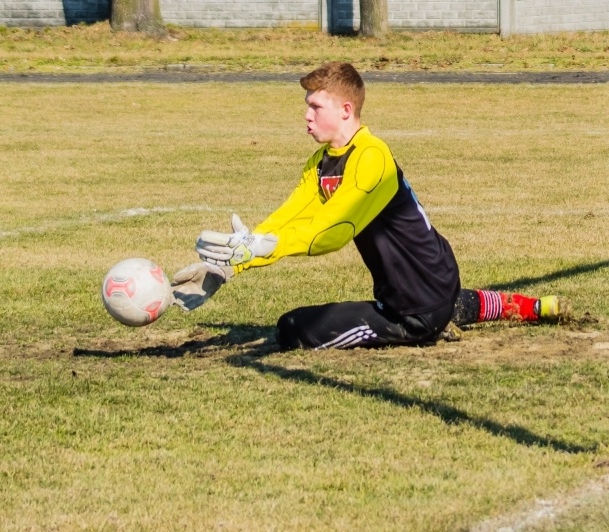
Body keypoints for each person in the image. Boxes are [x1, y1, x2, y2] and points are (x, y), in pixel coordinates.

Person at [171, 62, 566, 350]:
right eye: (306, 107)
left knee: (292, 329)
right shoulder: (322, 162)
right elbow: (291, 215)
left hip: (409, 309)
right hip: (436, 281)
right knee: (449, 303)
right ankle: (535, 306)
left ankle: (429, 326)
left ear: (346, 110)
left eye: (316, 108)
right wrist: (229, 264)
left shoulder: (372, 158)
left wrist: (262, 248)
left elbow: (332, 229)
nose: (306, 117)